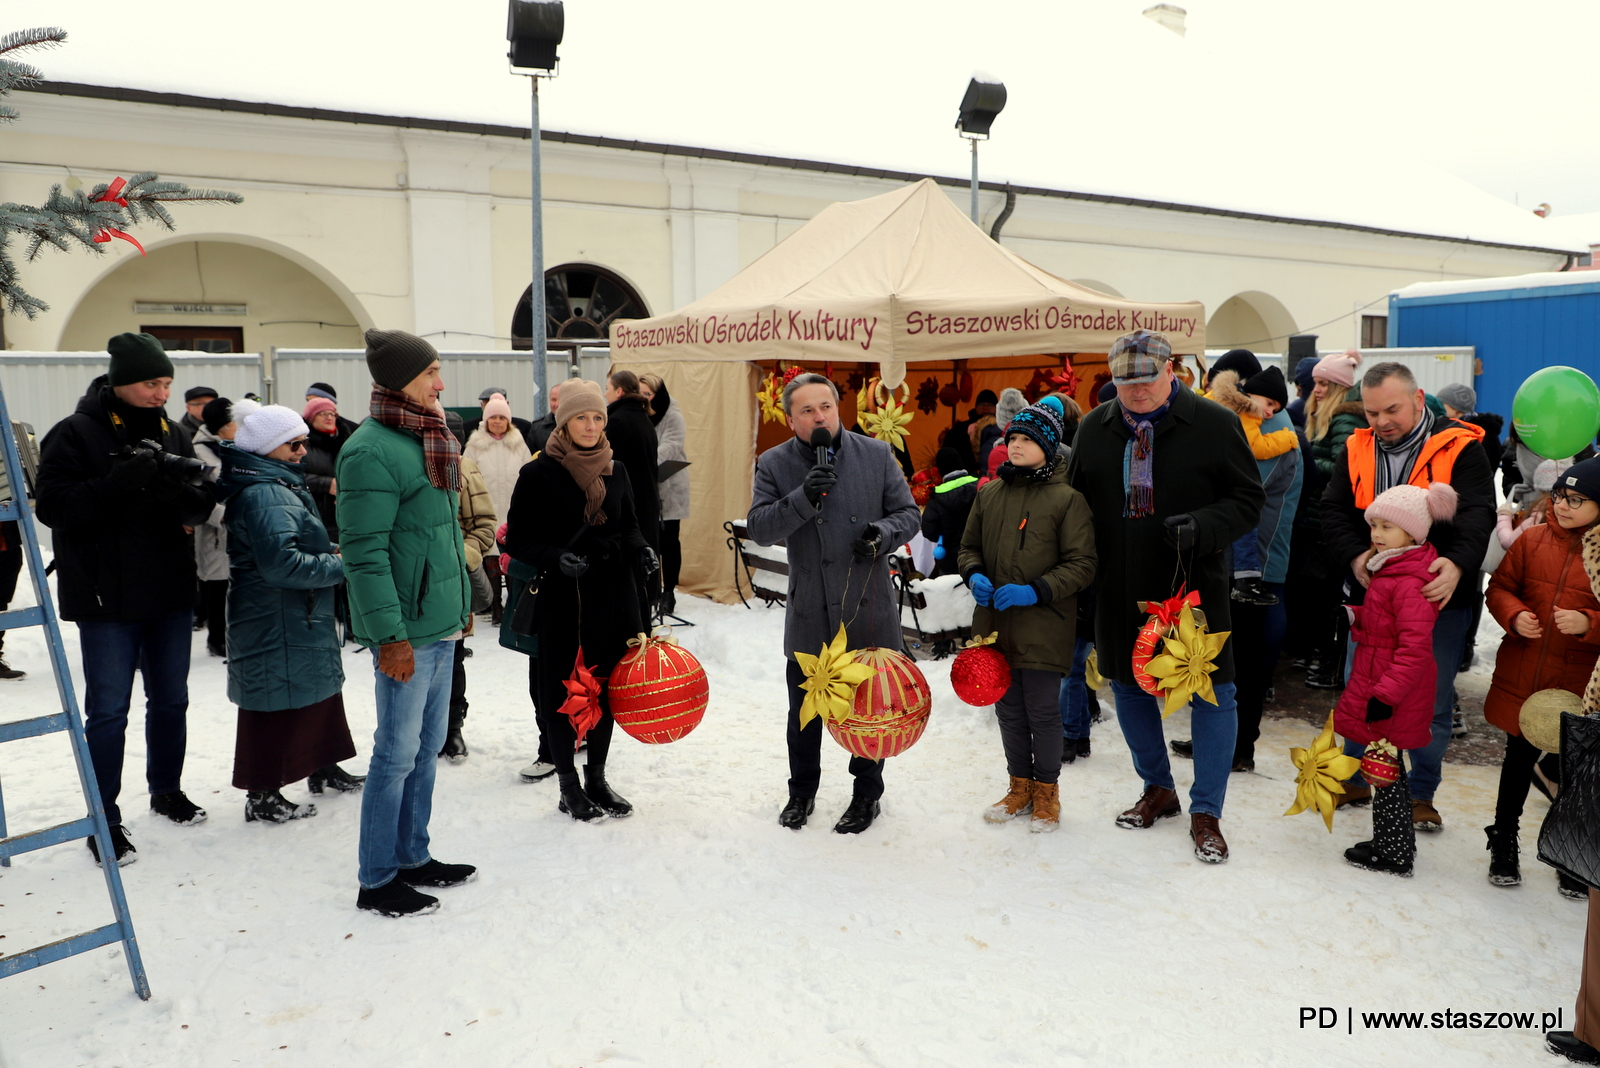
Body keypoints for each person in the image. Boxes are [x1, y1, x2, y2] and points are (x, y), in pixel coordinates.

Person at [1069, 330, 1263, 864]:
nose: (1135, 392)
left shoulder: (1215, 424)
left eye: (1147, 380)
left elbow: (1249, 499)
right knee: (1128, 687)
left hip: (1192, 588)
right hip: (1117, 585)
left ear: (1170, 371)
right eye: (1124, 382)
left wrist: (1204, 525)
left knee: (1212, 693)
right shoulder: (1094, 428)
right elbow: (1073, 503)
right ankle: (1158, 787)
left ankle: (1207, 811)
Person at [34, 333, 218, 865]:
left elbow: (201, 507)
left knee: (171, 699)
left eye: (166, 383)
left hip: (168, 593)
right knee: (109, 711)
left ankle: (166, 788)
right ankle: (104, 817)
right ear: (119, 382)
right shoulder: (74, 434)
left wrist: (173, 493)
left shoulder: (174, 433)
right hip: (106, 598)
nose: (161, 393)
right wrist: (118, 483)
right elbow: (54, 509)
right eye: (150, 383)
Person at [337, 329, 476, 917]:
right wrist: (390, 636)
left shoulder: (425, 434)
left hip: (439, 624)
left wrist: (462, 606)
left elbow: (440, 537)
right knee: (395, 754)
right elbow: (364, 553)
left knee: (424, 751)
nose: (441, 384)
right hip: (407, 632)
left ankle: (413, 856)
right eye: (430, 373)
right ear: (398, 381)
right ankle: (377, 878)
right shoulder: (371, 450)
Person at [1322, 361, 1495, 831]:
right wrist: (1356, 558)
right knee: (1363, 689)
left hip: (1439, 599)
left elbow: (1480, 512)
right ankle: (1357, 775)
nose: (1381, 422)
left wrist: (1458, 563)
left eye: (1392, 410)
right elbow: (1333, 511)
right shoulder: (1356, 447)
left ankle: (1421, 793)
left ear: (1419, 399)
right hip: (1374, 597)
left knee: (1431, 700)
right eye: (1373, 412)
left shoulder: (1460, 447)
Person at [747, 373, 921, 834]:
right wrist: (803, 497)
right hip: (811, 612)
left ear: (837, 408)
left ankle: (867, 795)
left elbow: (909, 515)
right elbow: (761, 527)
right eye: (807, 410)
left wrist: (881, 535)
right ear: (791, 419)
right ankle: (801, 793)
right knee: (803, 714)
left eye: (825, 406)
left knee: (870, 708)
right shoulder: (774, 462)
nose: (819, 416)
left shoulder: (876, 453)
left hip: (866, 606)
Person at [504, 380, 654, 822]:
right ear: (564, 422)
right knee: (560, 691)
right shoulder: (537, 473)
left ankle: (597, 780)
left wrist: (641, 548)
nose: (590, 426)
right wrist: (555, 557)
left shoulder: (616, 468)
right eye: (581, 418)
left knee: (607, 689)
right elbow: (518, 538)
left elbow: (627, 526)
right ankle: (568, 785)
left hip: (612, 596)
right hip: (563, 598)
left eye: (597, 418)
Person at [216, 405, 364, 823]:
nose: (302, 451)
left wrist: (329, 553)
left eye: (304, 443)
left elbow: (296, 547)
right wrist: (343, 565)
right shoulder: (264, 491)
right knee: (273, 701)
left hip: (297, 610)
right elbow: (282, 564)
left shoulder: (278, 482)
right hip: (274, 615)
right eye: (294, 444)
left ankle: (322, 766)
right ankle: (262, 793)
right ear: (267, 448)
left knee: (317, 692)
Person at [960, 397, 1097, 832]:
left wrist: (1035, 590)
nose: (1015, 445)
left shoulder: (1067, 499)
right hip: (994, 625)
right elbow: (969, 548)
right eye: (1012, 437)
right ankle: (1018, 786)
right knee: (1009, 711)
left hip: (1044, 624)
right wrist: (974, 574)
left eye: (1026, 439)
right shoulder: (990, 493)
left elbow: (1082, 564)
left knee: (1041, 710)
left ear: (1049, 446)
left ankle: (1046, 793)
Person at [1482, 458, 1600, 896]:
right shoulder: (1531, 541)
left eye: (1577, 500)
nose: (1564, 506)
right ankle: (1504, 841)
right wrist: (1514, 616)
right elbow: (1499, 588)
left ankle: (1566, 851)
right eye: (1560, 497)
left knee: (1573, 772)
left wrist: (1590, 623)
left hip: (1578, 685)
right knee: (1516, 760)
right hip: (1527, 675)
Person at [1335, 481, 1456, 877]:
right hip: (1383, 681)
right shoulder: (1392, 570)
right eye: (1374, 525)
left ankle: (1394, 852)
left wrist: (1385, 695)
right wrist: (1358, 618)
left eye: (1387, 527)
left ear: (1413, 533)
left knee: (1385, 768)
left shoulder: (1408, 580)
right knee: (1385, 764)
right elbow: (1388, 630)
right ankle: (1392, 841)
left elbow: (1414, 647)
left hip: (1394, 690)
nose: (1376, 534)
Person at [1302, 349, 1366, 691]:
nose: (1318, 390)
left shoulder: (1344, 418)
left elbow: (1345, 470)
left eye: (1324, 383)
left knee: (1330, 598)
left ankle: (1329, 664)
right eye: (1316, 383)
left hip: (1332, 521)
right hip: (1318, 517)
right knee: (1320, 595)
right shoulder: (1325, 416)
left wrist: (1307, 461)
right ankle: (1323, 659)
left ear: (1340, 387)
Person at [1210, 365, 1297, 607]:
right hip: (1224, 480)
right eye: (1269, 403)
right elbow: (1256, 446)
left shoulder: (1219, 399)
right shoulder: (1246, 411)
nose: (1269, 413)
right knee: (1247, 522)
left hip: (1210, 474)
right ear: (1254, 393)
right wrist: (1287, 438)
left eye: (1275, 409)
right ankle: (1246, 580)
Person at [441, 453, 498, 763]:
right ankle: (422, 732)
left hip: (452, 579)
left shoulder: (462, 466)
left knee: (453, 656)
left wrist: (465, 553)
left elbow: (485, 522)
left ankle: (452, 729)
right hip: (408, 582)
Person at [464, 393, 530, 626]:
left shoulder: (519, 443)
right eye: (493, 417)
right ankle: (495, 608)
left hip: (513, 511)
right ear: (486, 419)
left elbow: (528, 474)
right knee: (490, 559)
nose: (498, 421)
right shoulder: (474, 445)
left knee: (511, 558)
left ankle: (512, 604)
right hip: (486, 510)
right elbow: (467, 477)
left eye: (503, 417)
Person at [191, 396, 246, 659]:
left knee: (236, 583)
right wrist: (224, 516)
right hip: (216, 528)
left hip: (237, 523)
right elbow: (204, 488)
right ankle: (217, 639)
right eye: (234, 421)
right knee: (217, 585)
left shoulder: (234, 443)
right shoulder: (200, 449)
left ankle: (233, 636)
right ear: (222, 426)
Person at [639, 373, 690, 616]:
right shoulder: (639, 414)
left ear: (657, 395)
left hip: (669, 486)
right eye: (640, 394)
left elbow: (672, 445)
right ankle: (651, 590)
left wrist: (645, 461)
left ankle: (668, 591)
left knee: (670, 541)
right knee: (650, 540)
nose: (644, 398)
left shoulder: (672, 415)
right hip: (646, 487)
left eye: (647, 394)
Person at [603, 371, 662, 557]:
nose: (605, 394)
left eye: (607, 388)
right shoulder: (644, 419)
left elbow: (612, 466)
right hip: (648, 503)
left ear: (619, 391)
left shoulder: (617, 420)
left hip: (629, 507)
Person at [921, 447, 979, 577]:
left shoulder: (936, 498)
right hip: (983, 555)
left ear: (940, 470)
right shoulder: (981, 486)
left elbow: (929, 532)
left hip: (952, 562)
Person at [463, 385, 534, 440]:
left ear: (507, 404)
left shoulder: (523, 427)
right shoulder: (468, 428)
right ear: (482, 405)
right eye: (488, 404)